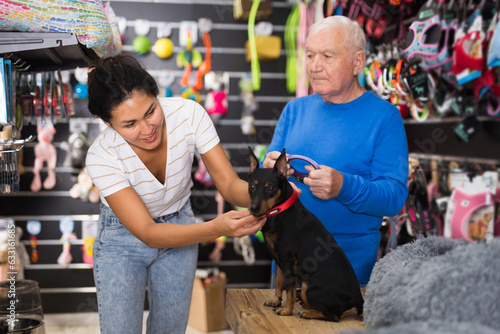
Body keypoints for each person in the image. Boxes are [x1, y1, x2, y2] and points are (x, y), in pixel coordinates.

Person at [84, 54, 266, 334]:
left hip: (181, 223)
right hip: (122, 240)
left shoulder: (189, 115)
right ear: (108, 124)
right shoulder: (101, 155)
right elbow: (146, 231)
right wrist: (216, 228)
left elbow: (229, 185)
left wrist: (269, 188)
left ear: (157, 95)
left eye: (150, 111)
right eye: (130, 124)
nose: (147, 130)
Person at [263, 15, 409, 286]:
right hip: (287, 267)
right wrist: (270, 169)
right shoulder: (294, 110)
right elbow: (269, 177)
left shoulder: (385, 118)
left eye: (327, 56)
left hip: (346, 271)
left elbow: (394, 198)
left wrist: (343, 186)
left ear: (357, 62)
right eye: (309, 55)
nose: (314, 66)